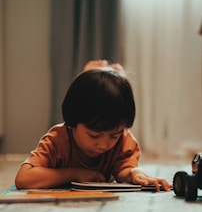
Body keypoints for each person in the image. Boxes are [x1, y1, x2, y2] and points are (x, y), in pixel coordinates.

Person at [15, 60, 171, 191]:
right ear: (72, 122)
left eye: (113, 136)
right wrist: (74, 173)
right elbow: (24, 178)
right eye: (94, 135)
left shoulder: (123, 138)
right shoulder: (57, 139)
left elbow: (123, 169)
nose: (103, 144)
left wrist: (135, 173)